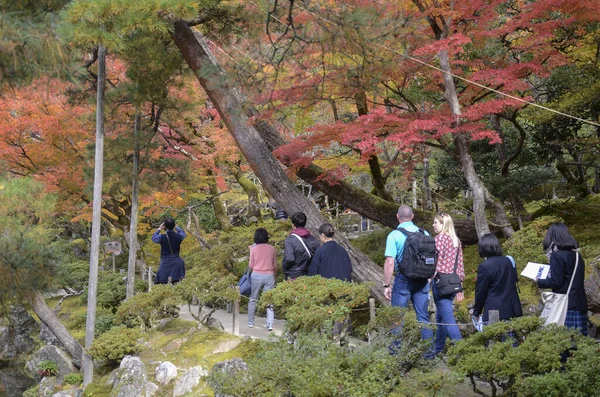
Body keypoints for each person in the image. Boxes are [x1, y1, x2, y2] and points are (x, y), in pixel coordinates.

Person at [383, 205, 433, 341]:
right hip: (422, 280)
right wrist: (428, 277)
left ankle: (396, 355)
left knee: (397, 319)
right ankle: (430, 354)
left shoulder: (394, 235)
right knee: (423, 317)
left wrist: (386, 285)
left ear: (397, 217)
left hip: (403, 280)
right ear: (413, 216)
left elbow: (390, 262)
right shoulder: (425, 233)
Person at [537, 222, 587, 335]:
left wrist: (539, 281)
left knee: (563, 344)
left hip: (565, 305)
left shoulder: (557, 256)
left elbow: (556, 282)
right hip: (579, 302)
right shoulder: (577, 255)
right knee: (579, 343)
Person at [431, 213, 464, 354]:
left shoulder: (439, 239)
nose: (433, 225)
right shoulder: (456, 241)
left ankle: (461, 350)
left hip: (440, 282)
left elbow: (434, 263)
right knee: (440, 316)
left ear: (443, 224)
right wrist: (460, 286)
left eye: (435, 223)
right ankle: (437, 349)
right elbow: (460, 265)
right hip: (453, 282)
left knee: (448, 318)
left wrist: (427, 278)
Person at [473, 234, 522, 323]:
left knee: (496, 336)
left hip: (494, 309)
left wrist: (477, 311)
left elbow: (480, 292)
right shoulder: (508, 261)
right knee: (513, 336)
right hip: (512, 308)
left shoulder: (484, 266)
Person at [247, 228, 277, 330]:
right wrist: (274, 275)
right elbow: (275, 265)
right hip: (269, 275)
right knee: (269, 300)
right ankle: (270, 324)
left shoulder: (253, 249)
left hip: (256, 275)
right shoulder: (272, 248)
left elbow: (250, 265)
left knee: (253, 299)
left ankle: (251, 322)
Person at [282, 211, 320, 280]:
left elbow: (289, 258)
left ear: (293, 225)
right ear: (304, 223)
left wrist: (284, 268)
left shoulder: (290, 239)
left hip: (294, 274)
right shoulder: (313, 238)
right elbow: (318, 256)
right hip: (310, 274)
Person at [152, 218, 186, 284]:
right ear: (174, 225)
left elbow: (154, 238)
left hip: (165, 263)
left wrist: (159, 229)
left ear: (165, 226)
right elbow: (183, 234)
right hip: (177, 263)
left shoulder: (161, 237)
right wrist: (176, 226)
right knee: (178, 283)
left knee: (163, 284)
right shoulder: (179, 236)